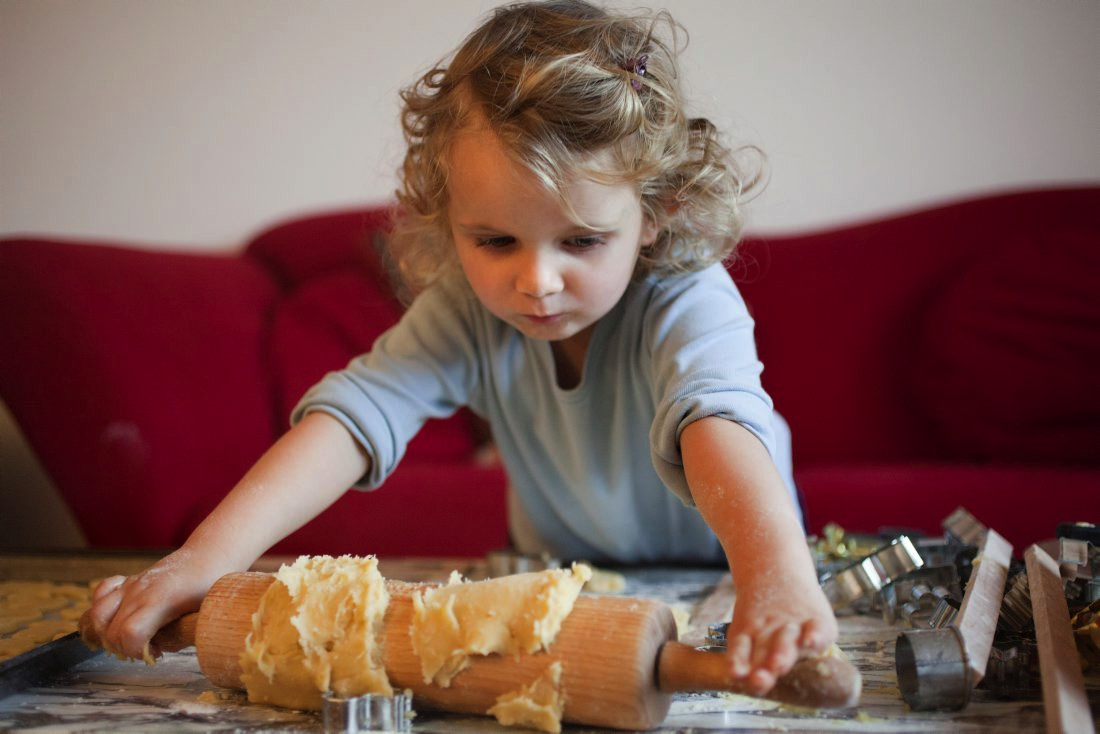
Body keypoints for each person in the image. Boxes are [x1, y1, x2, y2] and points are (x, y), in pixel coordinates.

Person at [82, 0, 836, 696]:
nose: (536, 282)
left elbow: (716, 420)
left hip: (728, 569)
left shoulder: (687, 296)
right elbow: (356, 415)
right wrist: (204, 559)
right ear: (448, 220)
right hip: (563, 581)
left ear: (657, 215)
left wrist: (773, 575)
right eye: (495, 240)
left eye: (581, 240)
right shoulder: (467, 312)